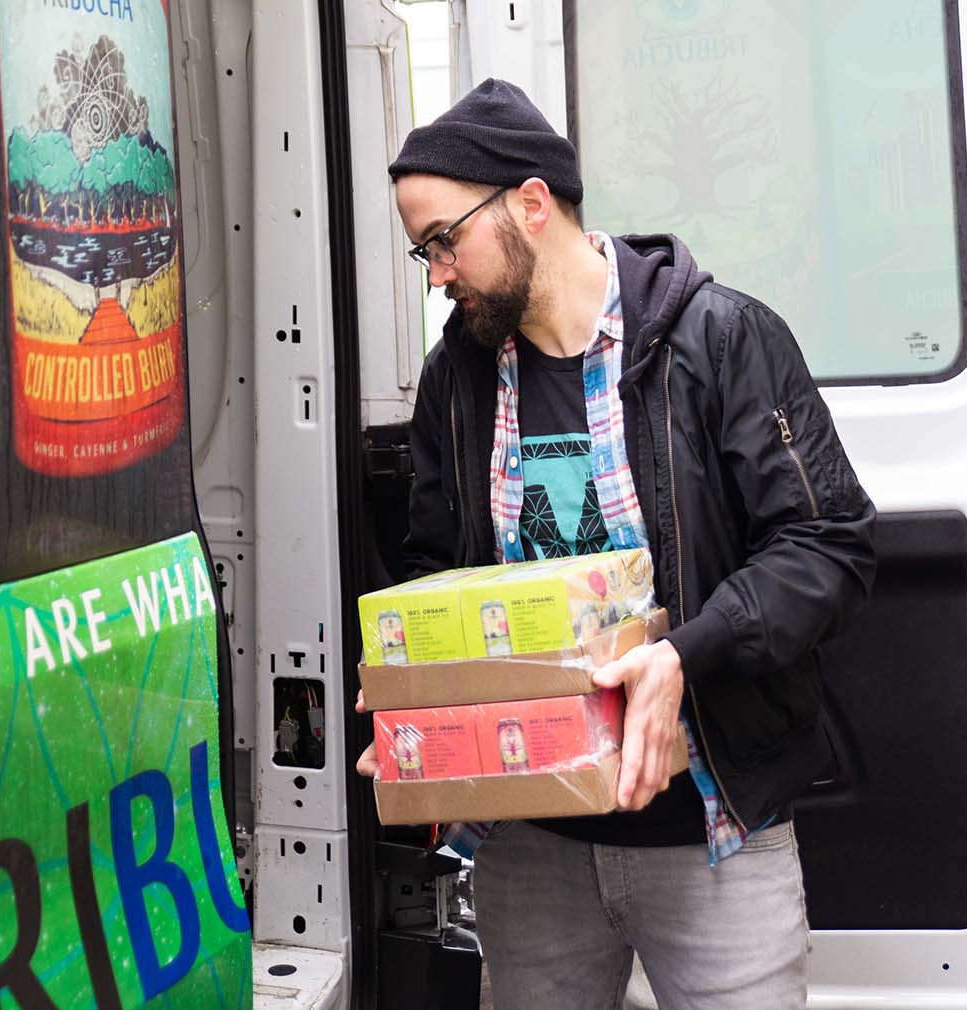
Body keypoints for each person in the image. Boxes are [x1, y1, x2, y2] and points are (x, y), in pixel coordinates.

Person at [355, 78, 877, 1010]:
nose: (436, 272)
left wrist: (684, 653)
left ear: (529, 202)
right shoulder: (459, 381)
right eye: (422, 252)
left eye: (443, 241)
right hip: (532, 852)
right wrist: (423, 714)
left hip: (715, 840)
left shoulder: (719, 339)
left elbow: (829, 545)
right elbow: (441, 577)